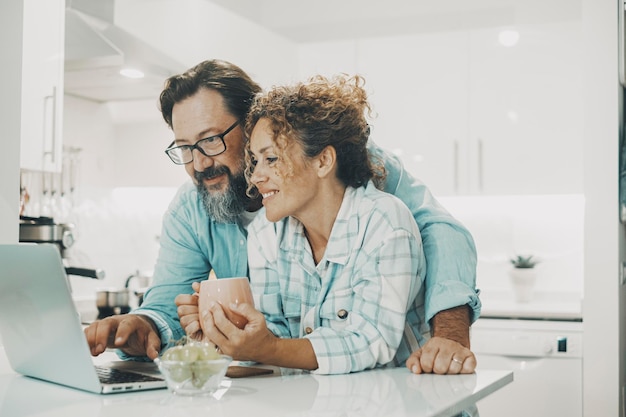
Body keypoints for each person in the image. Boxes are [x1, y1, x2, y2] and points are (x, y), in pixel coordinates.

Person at [83, 59, 480, 374]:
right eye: (185, 147)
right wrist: (149, 325)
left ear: (251, 123)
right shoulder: (220, 219)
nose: (199, 163)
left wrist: (450, 335)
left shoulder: (351, 169)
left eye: (210, 140)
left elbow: (437, 230)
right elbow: (261, 332)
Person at [187, 74, 426, 374]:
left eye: (271, 159)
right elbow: (274, 337)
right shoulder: (266, 233)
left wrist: (268, 348)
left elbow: (371, 340)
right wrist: (225, 333)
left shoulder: (384, 223)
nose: (256, 176)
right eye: (255, 161)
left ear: (323, 161)